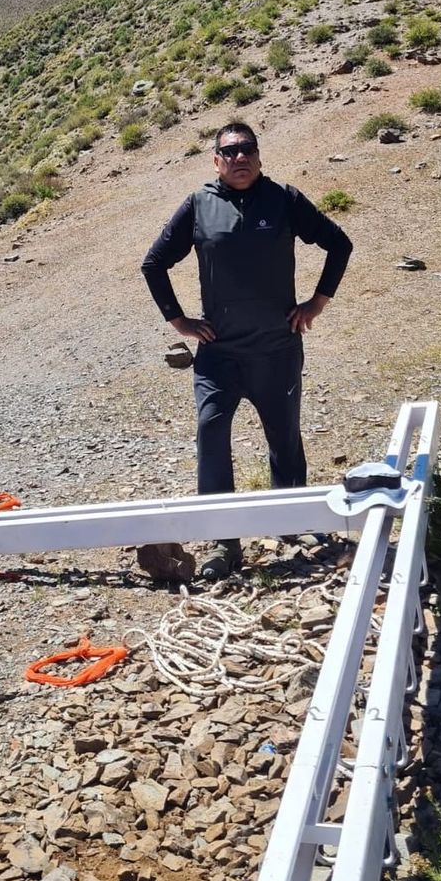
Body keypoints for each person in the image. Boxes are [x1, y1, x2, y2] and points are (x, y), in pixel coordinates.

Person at [141, 121, 353, 579]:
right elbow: (153, 263)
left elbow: (339, 244)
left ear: (259, 156)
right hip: (220, 355)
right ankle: (224, 540)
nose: (239, 158)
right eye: (229, 152)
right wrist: (178, 320)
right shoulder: (199, 205)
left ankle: (292, 518)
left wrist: (316, 303)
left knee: (284, 437)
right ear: (215, 160)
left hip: (277, 350)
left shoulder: (285, 199)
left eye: (247, 150)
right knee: (211, 432)